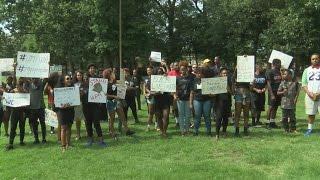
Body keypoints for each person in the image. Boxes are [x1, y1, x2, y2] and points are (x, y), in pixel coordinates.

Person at [103, 68, 135, 139]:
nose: (114, 74)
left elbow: (122, 85)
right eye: (112, 73)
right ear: (109, 75)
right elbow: (105, 94)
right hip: (110, 102)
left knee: (122, 115)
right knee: (112, 118)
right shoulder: (106, 84)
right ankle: (112, 132)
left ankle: (127, 130)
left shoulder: (115, 82)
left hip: (117, 101)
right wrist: (114, 96)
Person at [82, 64, 106, 147]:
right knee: (88, 123)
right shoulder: (84, 80)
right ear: (88, 70)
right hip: (86, 105)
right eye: (90, 68)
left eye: (93, 68)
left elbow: (101, 90)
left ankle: (101, 140)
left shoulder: (98, 79)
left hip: (95, 105)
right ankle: (90, 140)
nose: (92, 69)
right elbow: (81, 90)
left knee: (96, 122)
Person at [6, 78, 28, 150]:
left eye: (18, 85)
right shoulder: (13, 91)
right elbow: (8, 100)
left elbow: (27, 103)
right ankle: (10, 143)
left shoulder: (25, 92)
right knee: (13, 127)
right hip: (14, 112)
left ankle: (21, 141)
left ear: (22, 86)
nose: (17, 87)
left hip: (22, 112)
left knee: (22, 127)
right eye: (16, 85)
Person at [190, 67, 213, 136]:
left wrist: (211, 94)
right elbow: (191, 92)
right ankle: (196, 131)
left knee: (207, 116)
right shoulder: (193, 81)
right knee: (197, 116)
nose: (199, 74)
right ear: (196, 74)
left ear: (203, 74)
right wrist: (190, 103)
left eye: (201, 73)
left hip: (207, 100)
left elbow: (211, 91)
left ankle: (209, 131)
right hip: (197, 100)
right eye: (198, 73)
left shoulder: (207, 81)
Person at [56, 75, 76, 151]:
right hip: (62, 111)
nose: (69, 80)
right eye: (67, 79)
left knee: (69, 127)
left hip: (70, 110)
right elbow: (56, 103)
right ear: (63, 80)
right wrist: (61, 106)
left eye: (70, 79)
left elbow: (75, 102)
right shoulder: (59, 90)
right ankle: (63, 146)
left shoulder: (73, 90)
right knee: (63, 128)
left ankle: (68, 144)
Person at [302, 53, 320, 136]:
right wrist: (309, 93)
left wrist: (318, 93)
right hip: (310, 95)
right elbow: (304, 83)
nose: (315, 60)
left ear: (319, 59)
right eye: (313, 59)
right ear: (311, 60)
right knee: (311, 113)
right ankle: (309, 129)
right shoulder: (307, 70)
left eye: (316, 58)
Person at [174, 61, 193, 136]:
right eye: (181, 69)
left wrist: (191, 102)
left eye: (184, 69)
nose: (183, 70)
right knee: (181, 115)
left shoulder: (190, 78)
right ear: (179, 69)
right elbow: (174, 88)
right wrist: (175, 96)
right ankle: (182, 131)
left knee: (188, 116)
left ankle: (187, 130)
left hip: (188, 100)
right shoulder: (177, 78)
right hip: (180, 100)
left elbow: (192, 91)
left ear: (187, 69)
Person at [233, 67, 251, 137]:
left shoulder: (249, 75)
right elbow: (233, 80)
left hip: (247, 94)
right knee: (237, 113)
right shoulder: (236, 75)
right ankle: (237, 130)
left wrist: (253, 82)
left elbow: (251, 87)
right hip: (238, 95)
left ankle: (245, 129)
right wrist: (237, 67)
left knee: (246, 114)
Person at [28, 78, 47, 144]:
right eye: (33, 78)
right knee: (34, 124)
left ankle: (44, 139)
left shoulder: (41, 83)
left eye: (35, 78)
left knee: (42, 124)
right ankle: (36, 139)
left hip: (41, 107)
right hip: (32, 108)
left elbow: (46, 78)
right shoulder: (29, 84)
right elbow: (22, 78)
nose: (34, 79)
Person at [154, 67, 171, 138]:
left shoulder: (167, 79)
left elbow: (171, 86)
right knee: (159, 117)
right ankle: (161, 131)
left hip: (166, 100)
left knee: (166, 116)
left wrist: (167, 78)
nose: (160, 73)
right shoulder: (154, 80)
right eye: (158, 72)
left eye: (161, 72)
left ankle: (165, 131)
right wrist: (155, 92)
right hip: (157, 101)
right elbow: (151, 91)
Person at [215, 68, 232, 139]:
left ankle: (224, 131)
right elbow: (214, 93)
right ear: (220, 74)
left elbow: (232, 93)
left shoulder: (229, 81)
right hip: (219, 103)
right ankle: (217, 134)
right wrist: (211, 94)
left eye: (226, 73)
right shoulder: (217, 82)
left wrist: (229, 89)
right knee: (219, 118)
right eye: (223, 73)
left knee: (225, 118)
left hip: (227, 102)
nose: (225, 74)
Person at [266, 59, 282, 129]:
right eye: (279, 63)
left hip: (278, 92)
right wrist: (272, 94)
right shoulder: (269, 72)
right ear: (275, 64)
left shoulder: (279, 72)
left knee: (275, 107)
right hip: (272, 92)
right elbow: (268, 83)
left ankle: (272, 122)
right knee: (271, 107)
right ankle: (267, 123)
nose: (280, 65)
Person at [73, 71, 85, 140]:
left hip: (84, 103)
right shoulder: (73, 84)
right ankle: (78, 134)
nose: (79, 76)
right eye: (78, 75)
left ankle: (89, 133)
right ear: (76, 76)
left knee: (86, 119)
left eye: (80, 75)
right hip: (77, 103)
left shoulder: (85, 83)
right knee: (77, 120)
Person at [144, 66, 156, 131]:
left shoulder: (156, 77)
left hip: (156, 96)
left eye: (149, 70)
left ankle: (157, 125)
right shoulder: (146, 78)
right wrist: (149, 92)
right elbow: (145, 87)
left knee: (157, 111)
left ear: (152, 70)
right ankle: (148, 126)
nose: (148, 71)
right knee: (151, 112)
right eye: (147, 70)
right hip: (150, 97)